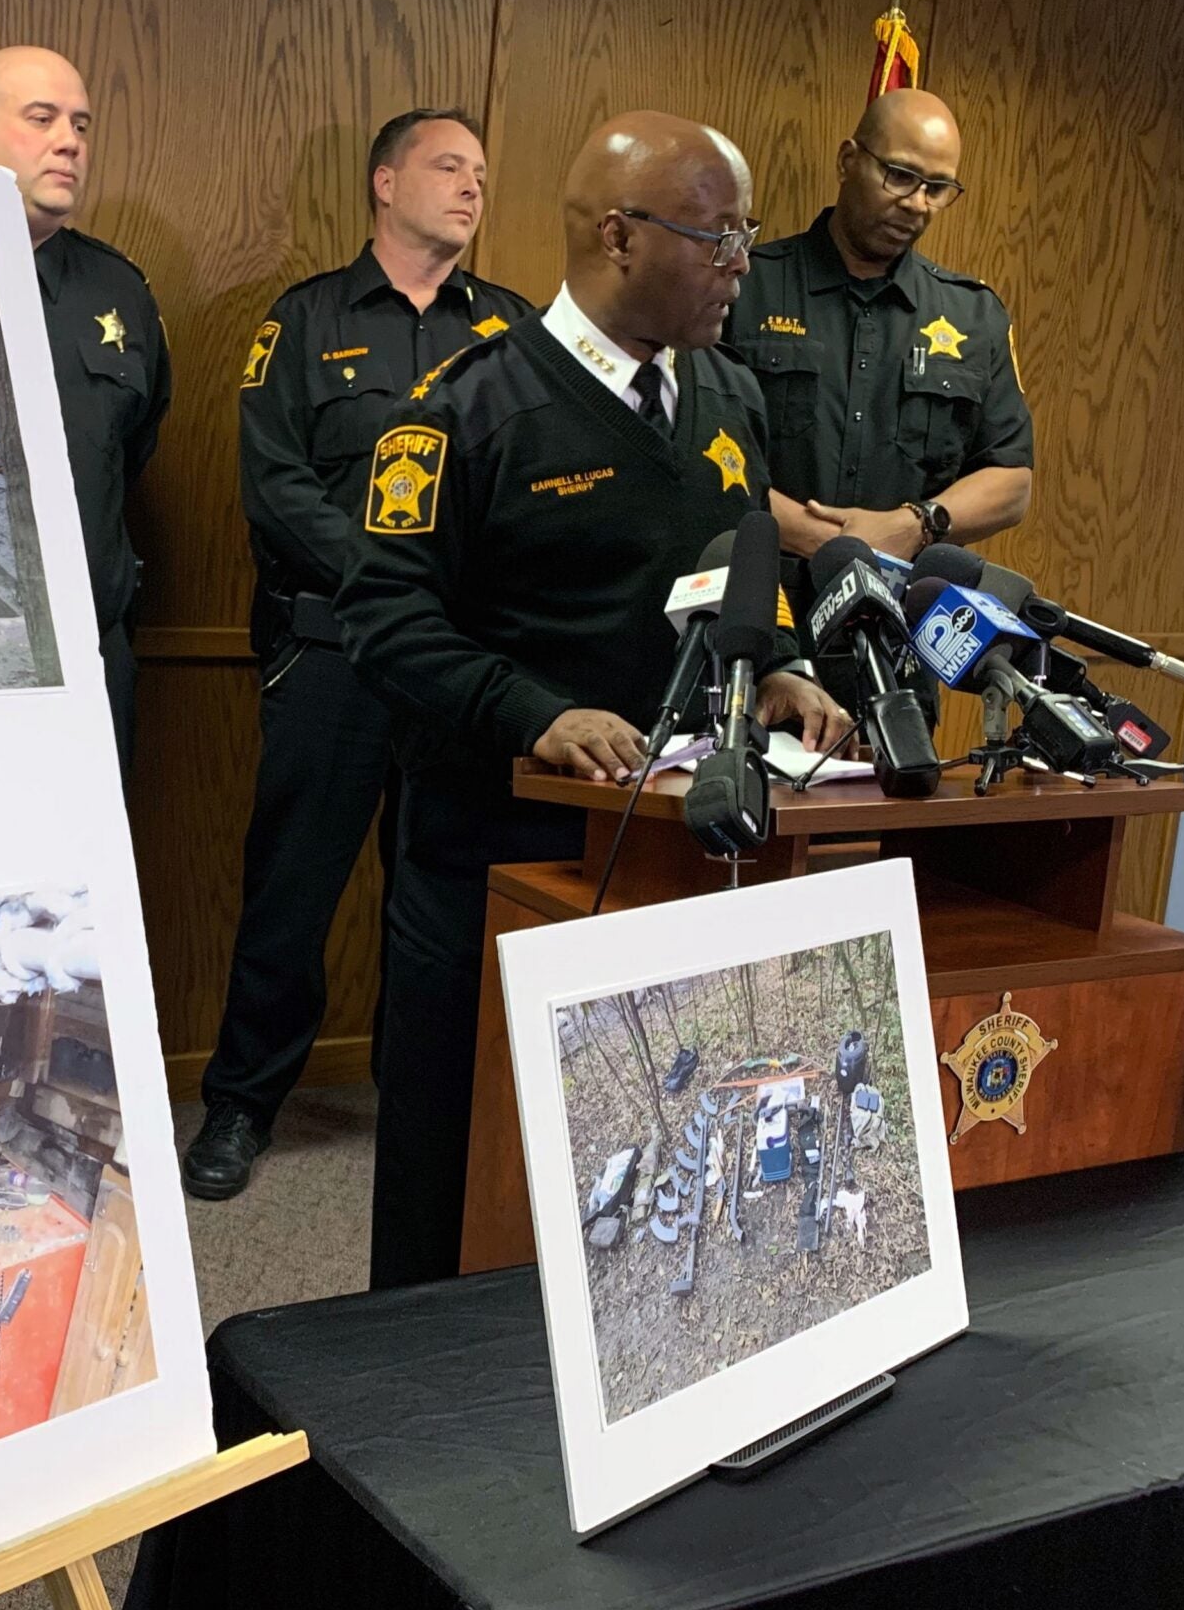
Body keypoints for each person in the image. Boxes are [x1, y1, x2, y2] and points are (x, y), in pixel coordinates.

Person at [337, 110, 851, 1289]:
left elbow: (738, 578)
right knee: (456, 1165)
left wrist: (776, 662)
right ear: (620, 235)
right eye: (717, 237)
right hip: (494, 857)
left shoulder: (725, 397)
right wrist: (535, 712)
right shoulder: (459, 410)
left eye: (746, 234)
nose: (742, 266)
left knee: (633, 1150)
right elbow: (385, 623)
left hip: (674, 856)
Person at [182, 111, 538, 1202]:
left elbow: (527, 478)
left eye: (482, 171)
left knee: (440, 893)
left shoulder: (513, 333)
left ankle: (420, 1093)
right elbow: (276, 483)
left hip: (457, 665)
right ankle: (242, 1103)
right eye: (447, 167)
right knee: (294, 886)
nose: (471, 188)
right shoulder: (304, 322)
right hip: (335, 651)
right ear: (385, 183)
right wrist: (392, 575)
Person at [0, 45, 172, 776]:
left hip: (88, 654)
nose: (69, 143)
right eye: (42, 118)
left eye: (80, 125)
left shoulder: (119, 293)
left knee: (82, 887)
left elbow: (125, 450)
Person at [726, 88, 1033, 565]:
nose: (917, 204)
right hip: (759, 594)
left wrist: (915, 524)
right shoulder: (742, 287)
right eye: (900, 176)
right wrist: (816, 538)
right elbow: (693, 450)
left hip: (902, 613)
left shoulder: (973, 315)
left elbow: (1011, 481)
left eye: (937, 188)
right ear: (848, 160)